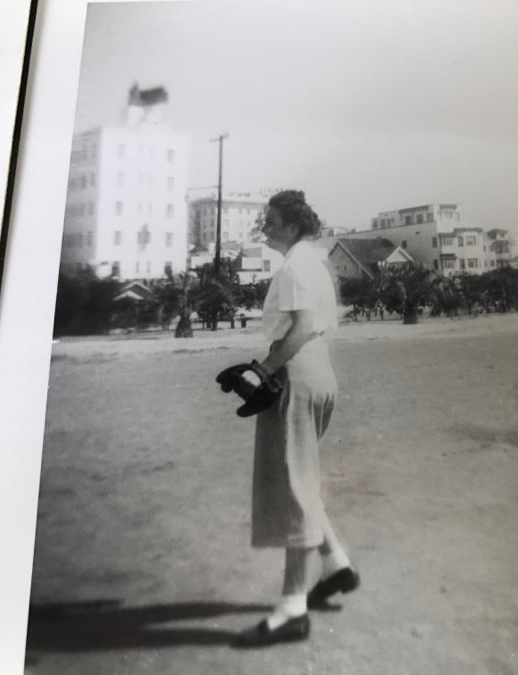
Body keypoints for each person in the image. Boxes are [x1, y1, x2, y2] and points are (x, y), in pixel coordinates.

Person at [232, 190, 359, 648]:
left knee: (292, 487)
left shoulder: (294, 266)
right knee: (300, 477)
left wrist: (262, 370)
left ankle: (291, 609)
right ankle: (337, 564)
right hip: (318, 372)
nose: (265, 227)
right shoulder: (314, 262)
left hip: (297, 375)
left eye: (271, 221)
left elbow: (302, 327)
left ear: (291, 225)